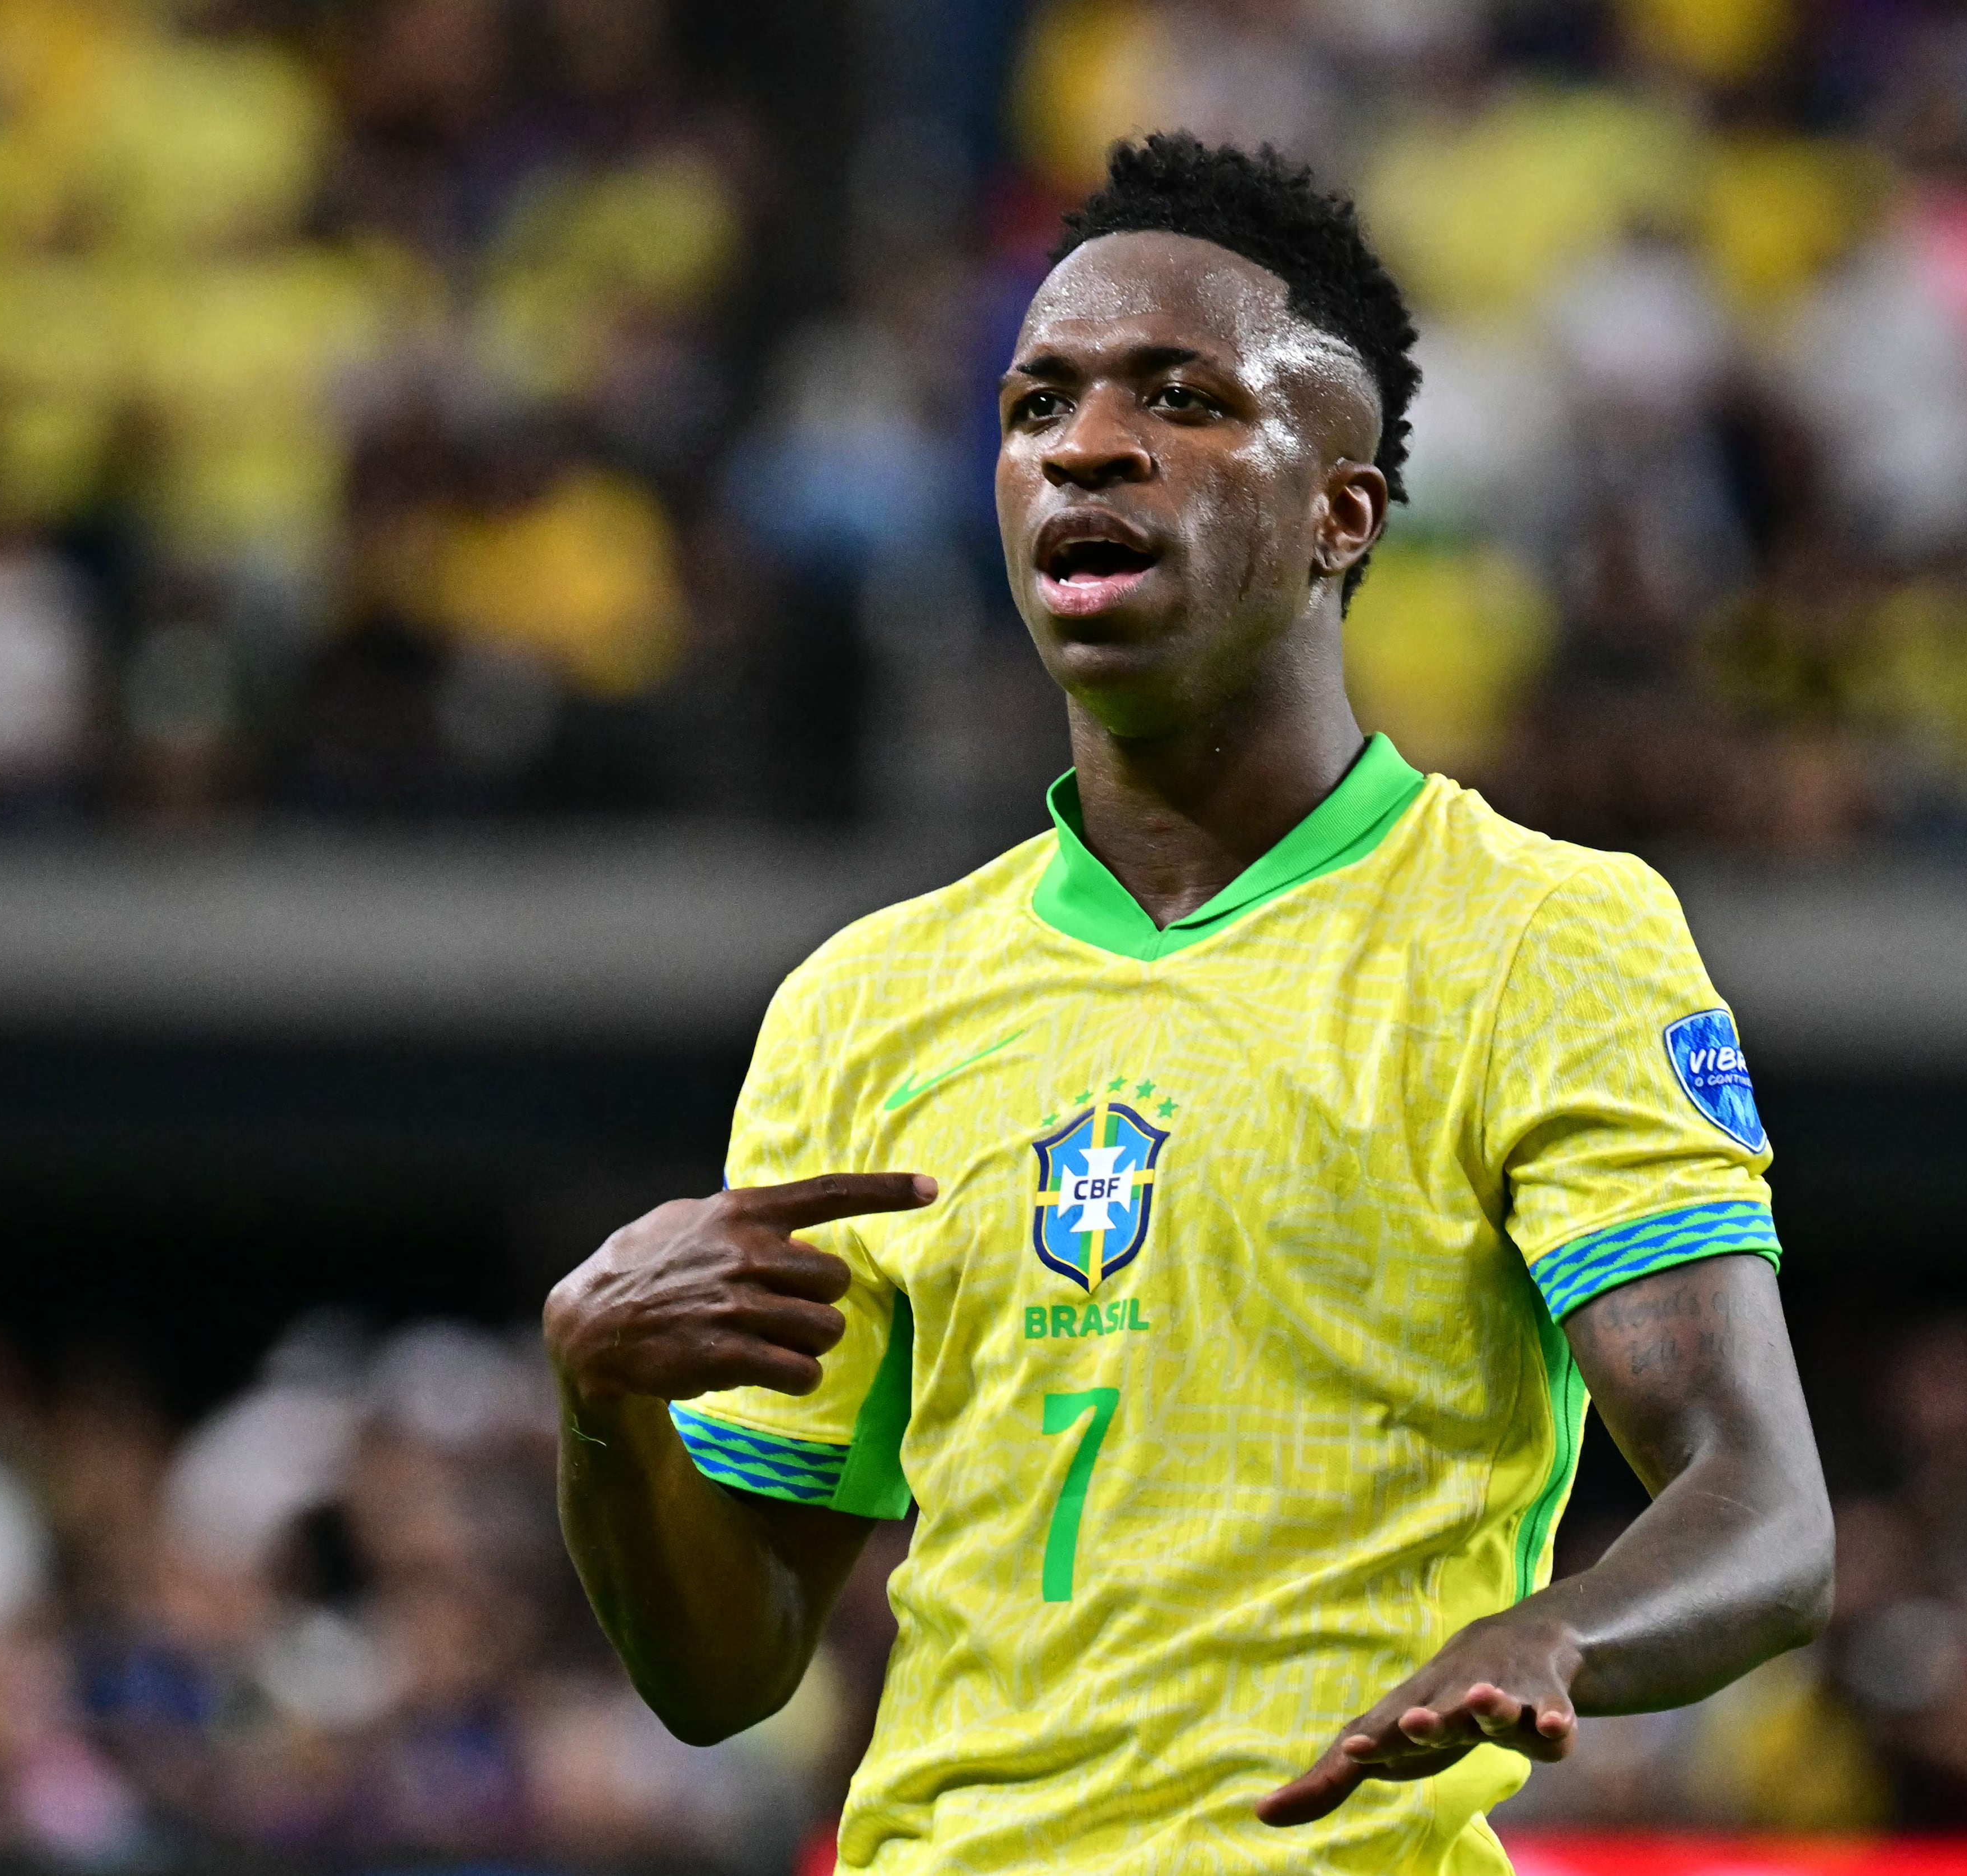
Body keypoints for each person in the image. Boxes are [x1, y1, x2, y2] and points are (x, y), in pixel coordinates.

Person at [542, 135, 1832, 1874]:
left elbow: (1761, 1510)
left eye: (1183, 398)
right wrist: (602, 1414)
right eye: (1037, 404)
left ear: (1340, 516)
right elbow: (727, 1672)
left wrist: (1553, 1636)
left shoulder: (1539, 938)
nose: (1086, 443)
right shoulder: (867, 1003)